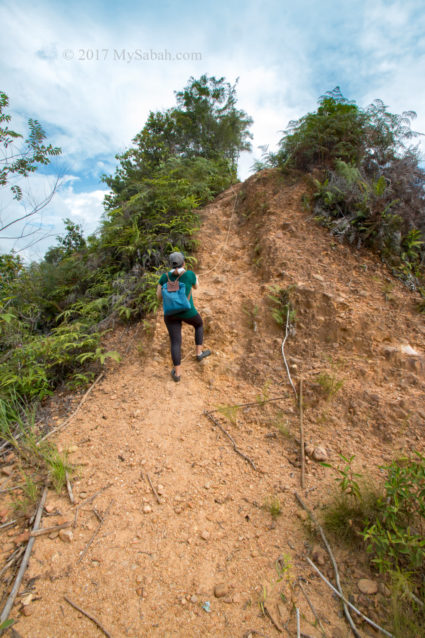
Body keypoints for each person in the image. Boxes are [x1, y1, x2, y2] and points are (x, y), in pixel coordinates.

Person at [157, 252, 211, 382]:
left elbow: (159, 296)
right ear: (184, 263)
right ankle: (199, 353)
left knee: (175, 342)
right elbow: (196, 287)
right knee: (198, 324)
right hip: (187, 311)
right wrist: (196, 278)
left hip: (170, 314)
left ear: (170, 264)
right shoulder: (189, 275)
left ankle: (177, 374)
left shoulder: (164, 277)